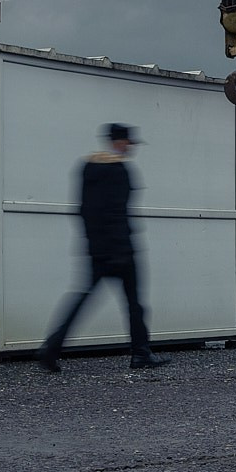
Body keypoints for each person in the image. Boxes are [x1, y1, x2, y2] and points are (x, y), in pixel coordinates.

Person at [37, 123, 170, 371]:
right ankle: (141, 353)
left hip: (97, 247)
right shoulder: (119, 171)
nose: (131, 148)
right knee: (135, 303)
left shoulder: (87, 167)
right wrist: (120, 250)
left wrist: (93, 245)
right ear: (120, 142)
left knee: (82, 299)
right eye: (129, 143)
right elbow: (116, 212)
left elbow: (85, 210)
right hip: (121, 249)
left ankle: (51, 349)